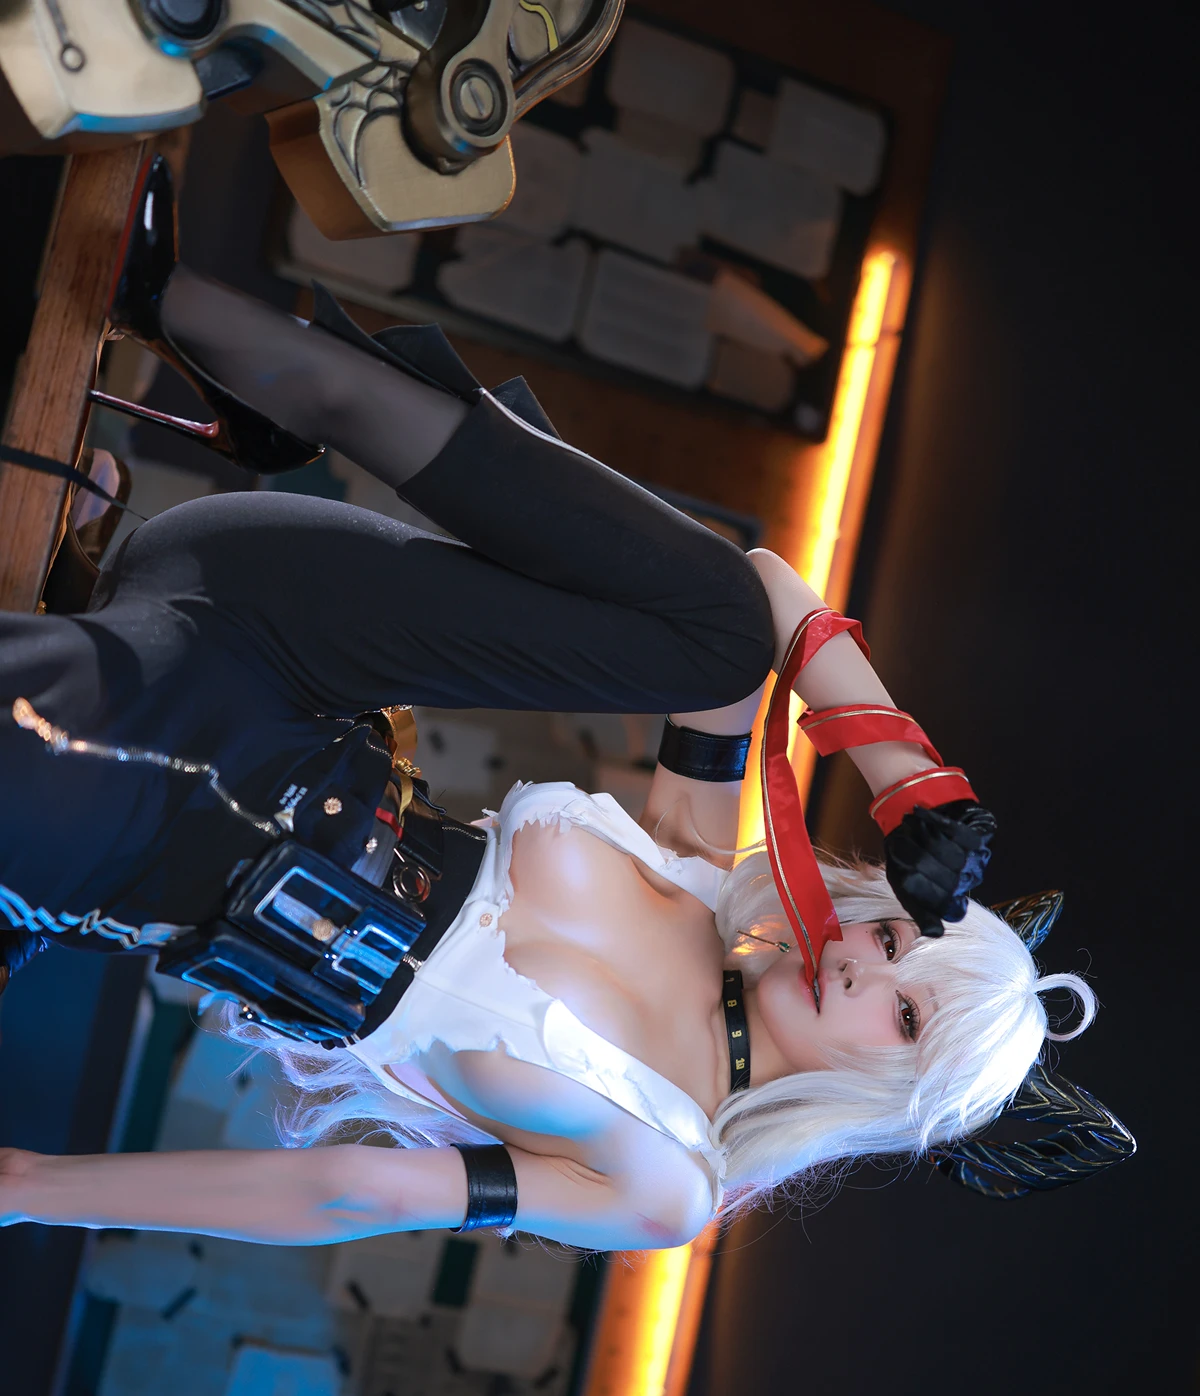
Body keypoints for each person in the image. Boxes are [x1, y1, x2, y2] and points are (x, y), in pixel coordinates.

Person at [0, 159, 1119, 1253]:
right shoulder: (697, 864)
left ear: (895, 1095)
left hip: (168, 829)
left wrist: (29, 1188)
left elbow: (351, 1192)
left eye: (905, 1014)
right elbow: (765, 596)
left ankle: (217, 414)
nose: (868, 967)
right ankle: (200, 322)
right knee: (722, 629)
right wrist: (908, 782)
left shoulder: (664, 1179)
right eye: (892, 935)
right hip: (273, 640)